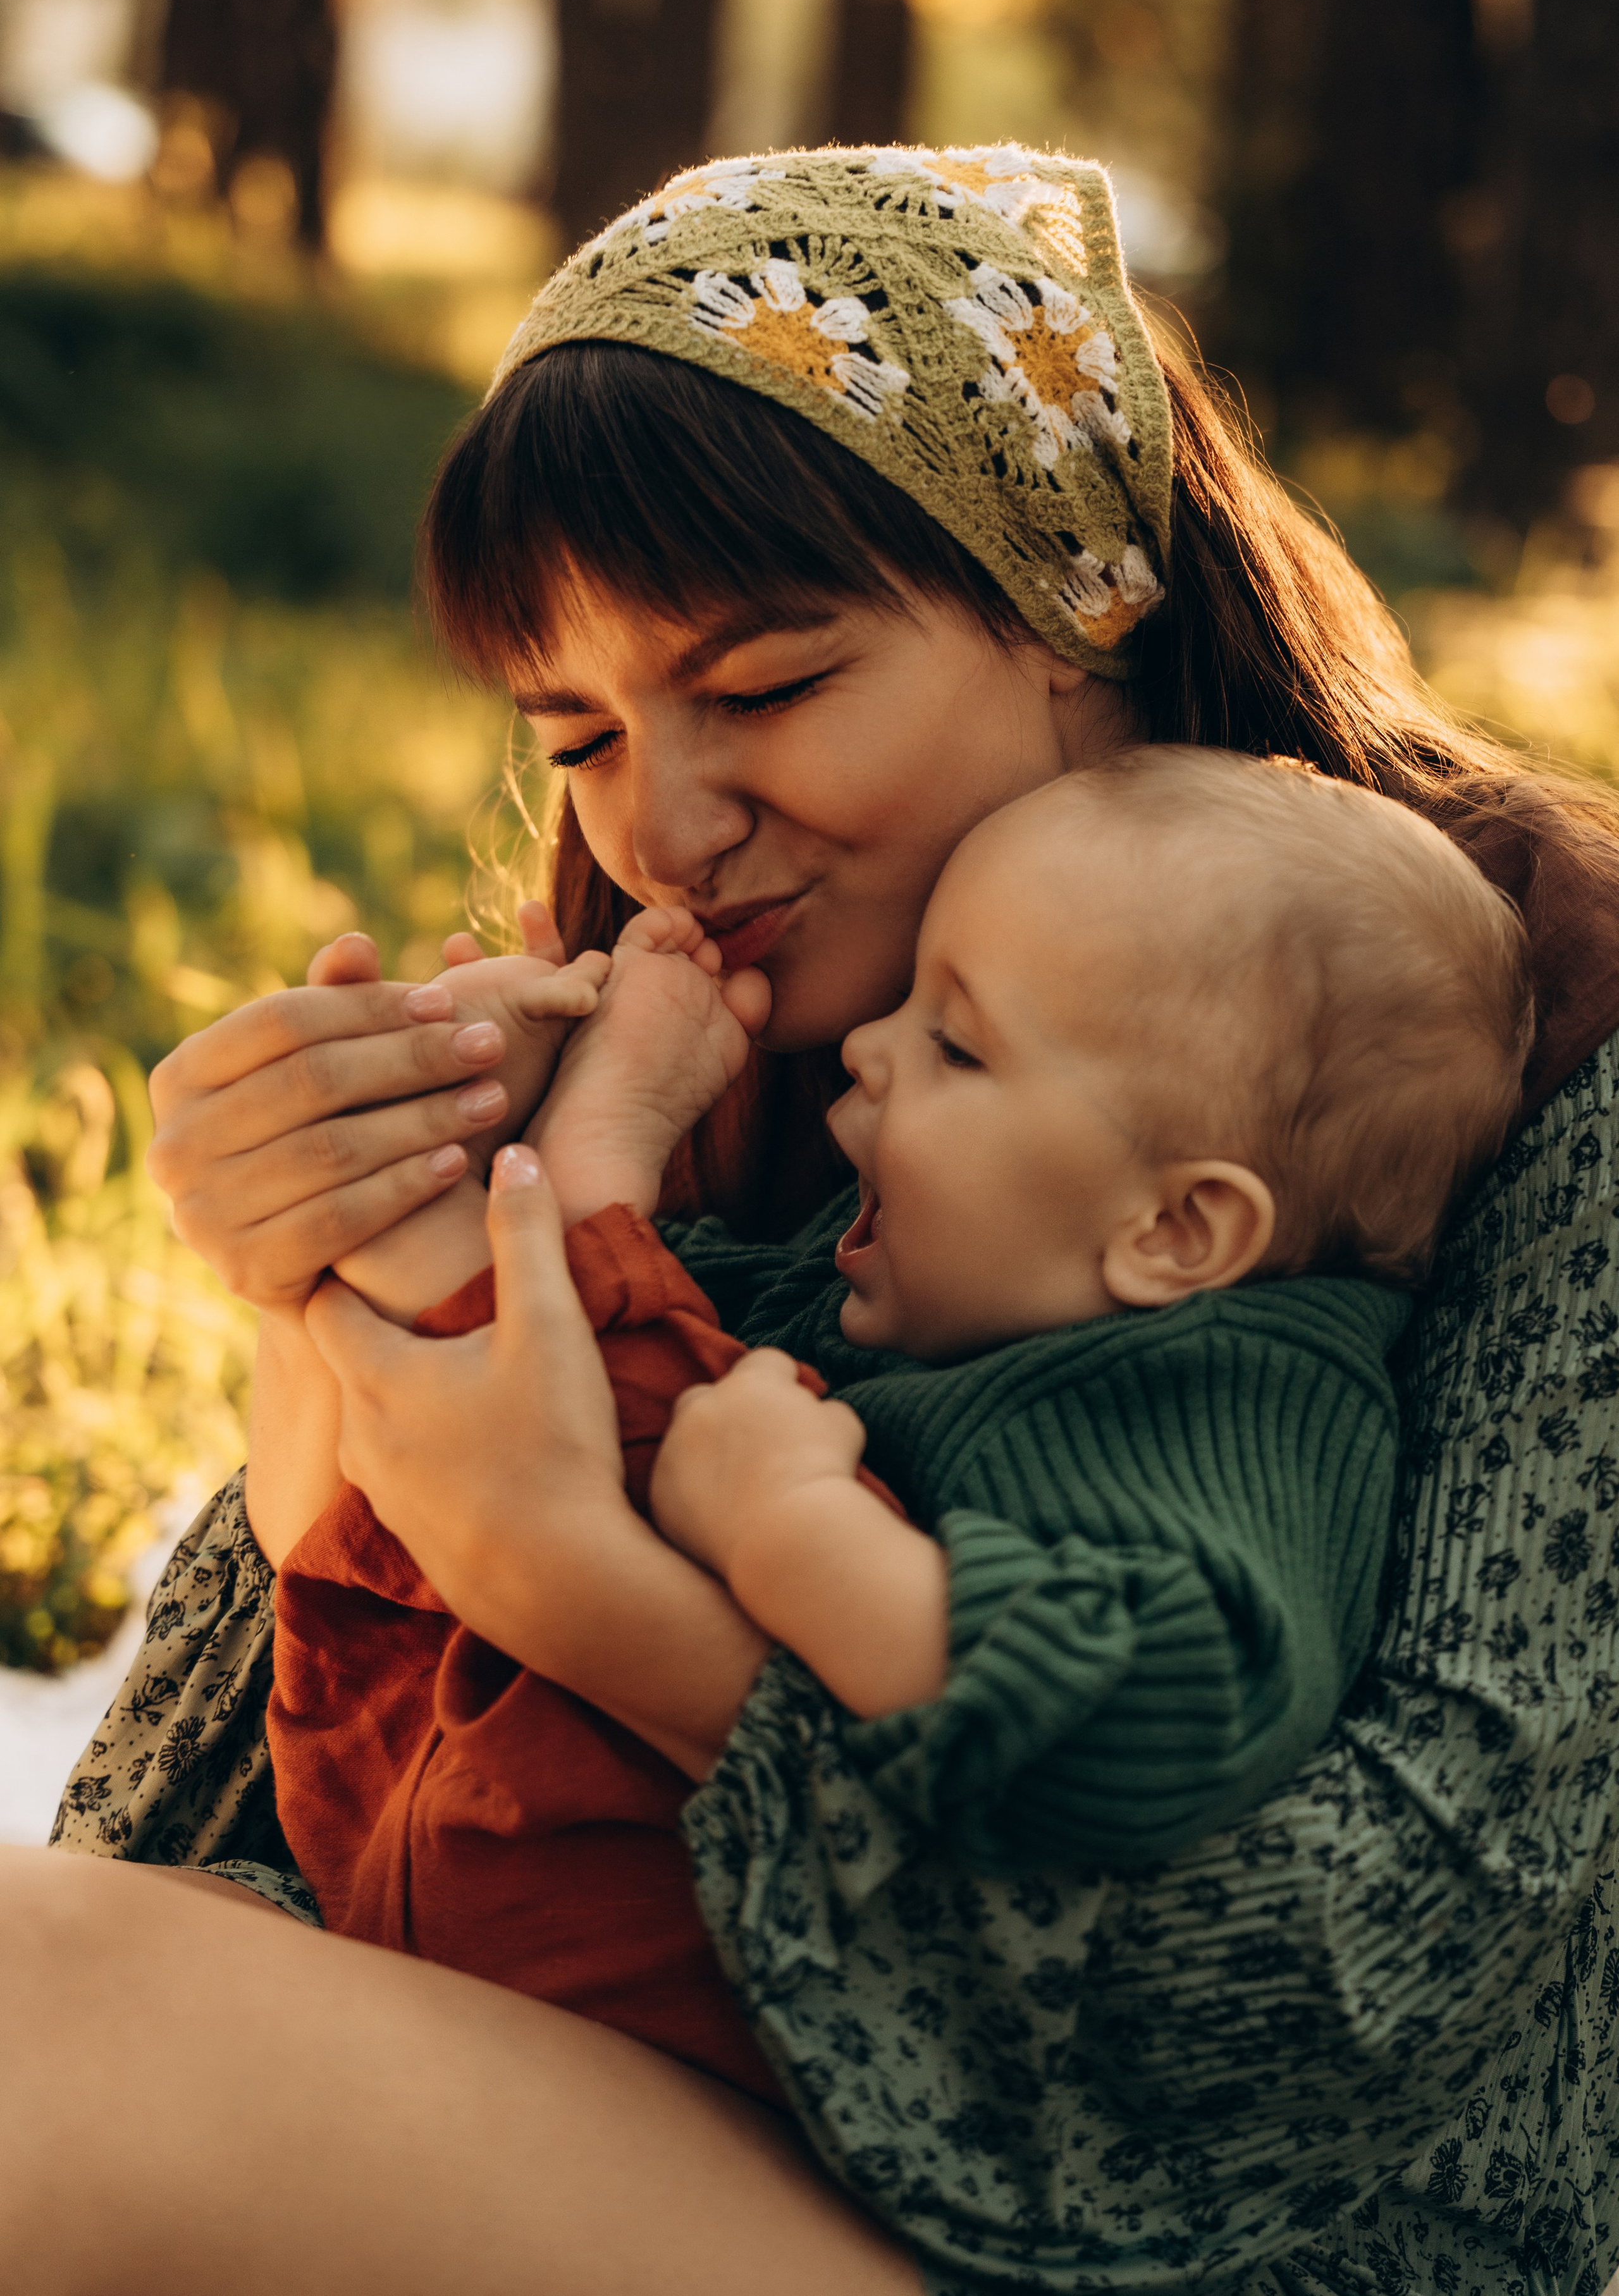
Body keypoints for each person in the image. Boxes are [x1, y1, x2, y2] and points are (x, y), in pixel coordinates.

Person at [11, 144, 1618, 2293]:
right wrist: (323, 1275)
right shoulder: (741, 1034)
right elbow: (188, 1819)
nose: (661, 825)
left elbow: (1357, 1986)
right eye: (573, 730)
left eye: (763, 687)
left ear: (1076, 602)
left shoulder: (1548, 1054)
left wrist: (601, 1600)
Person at [267, 747, 1534, 2241]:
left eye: (957, 1045)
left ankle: (546, 1176)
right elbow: (712, 1349)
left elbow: (1161, 1708)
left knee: (548, 1334)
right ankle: (498, 1164)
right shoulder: (987, 1294)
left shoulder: (1231, 1391)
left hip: (729, 2067)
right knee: (521, 1312)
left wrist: (786, 1532)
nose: (868, 1048)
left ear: (1179, 1227)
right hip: (479, 1937)